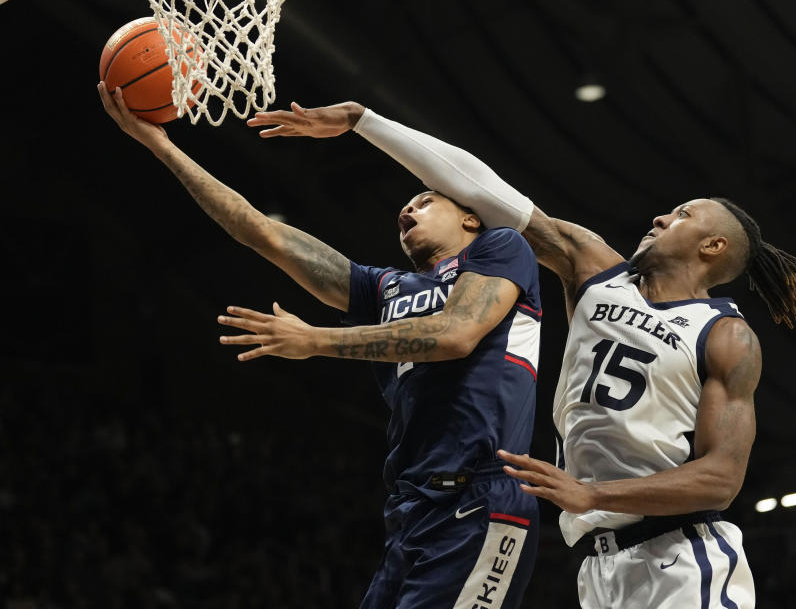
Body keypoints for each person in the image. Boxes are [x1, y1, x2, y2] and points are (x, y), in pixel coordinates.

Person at [245, 100, 796, 608]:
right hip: (597, 565)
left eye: (681, 216)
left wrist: (592, 493)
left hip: (683, 556)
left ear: (712, 247)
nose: (660, 217)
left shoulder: (727, 335)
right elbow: (483, 189)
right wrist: (363, 122)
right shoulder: (597, 272)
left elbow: (721, 480)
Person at [97, 83, 543, 609]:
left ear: (470, 217)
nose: (405, 212)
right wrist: (162, 147)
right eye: (404, 208)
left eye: (424, 200)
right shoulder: (383, 289)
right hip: (412, 505)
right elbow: (262, 232)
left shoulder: (499, 248)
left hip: (479, 496)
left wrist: (315, 340)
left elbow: (455, 334)